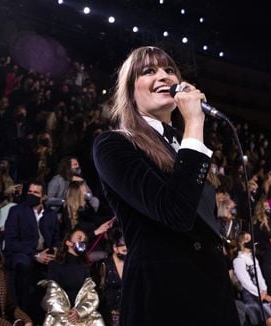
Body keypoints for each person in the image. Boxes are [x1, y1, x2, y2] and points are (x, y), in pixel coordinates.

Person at [92, 46, 239, 325]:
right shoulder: (114, 145)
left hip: (212, 293)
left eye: (170, 70)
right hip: (164, 296)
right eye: (149, 71)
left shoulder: (183, 146)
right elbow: (174, 213)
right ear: (130, 90)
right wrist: (194, 122)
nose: (165, 76)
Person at [3, 180, 61, 322]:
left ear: (44, 197)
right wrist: (35, 255)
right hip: (22, 253)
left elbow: (57, 238)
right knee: (24, 264)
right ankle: (22, 314)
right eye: (30, 192)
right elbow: (11, 241)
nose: (32, 195)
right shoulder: (16, 211)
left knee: (61, 267)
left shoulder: (51, 215)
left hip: (45, 253)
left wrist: (55, 251)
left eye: (36, 193)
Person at [40, 228, 104, 325]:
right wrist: (68, 314)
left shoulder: (85, 267)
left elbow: (91, 295)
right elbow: (52, 295)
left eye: (84, 241)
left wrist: (80, 312)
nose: (82, 242)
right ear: (68, 243)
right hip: (61, 315)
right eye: (79, 238)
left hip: (81, 314)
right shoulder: (55, 265)